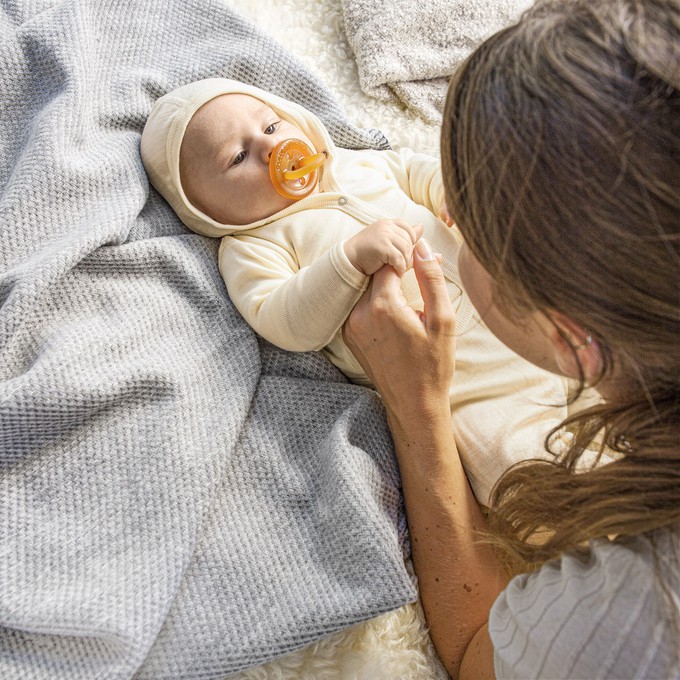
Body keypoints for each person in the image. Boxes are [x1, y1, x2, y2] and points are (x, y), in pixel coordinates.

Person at [343, 0, 680, 677]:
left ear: (571, 339)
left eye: (462, 221)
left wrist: (418, 410)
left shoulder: (633, 610)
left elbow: (479, 655)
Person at [140, 77, 569, 505]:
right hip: (462, 387)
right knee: (517, 469)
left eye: (271, 127)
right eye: (238, 157)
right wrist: (347, 260)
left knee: (591, 372)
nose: (271, 148)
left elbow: (413, 170)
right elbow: (283, 320)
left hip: (512, 308)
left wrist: (454, 192)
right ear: (205, 213)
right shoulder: (253, 246)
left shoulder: (354, 165)